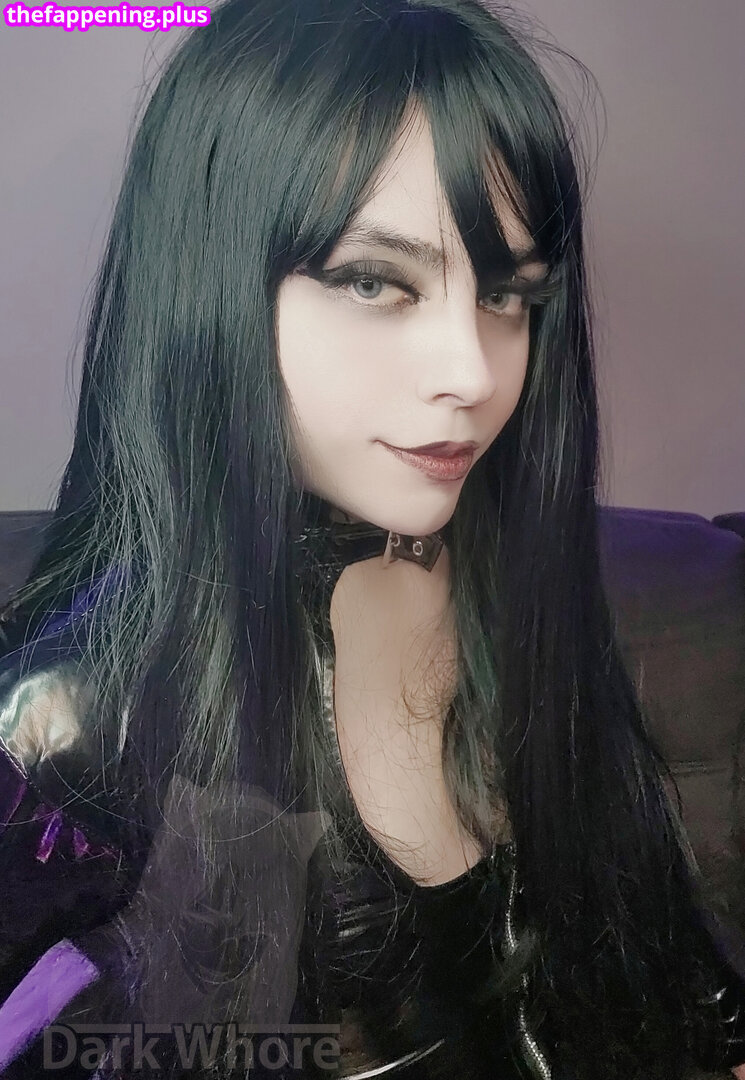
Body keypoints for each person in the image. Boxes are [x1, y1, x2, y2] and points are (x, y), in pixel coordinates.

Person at [1, 1, 744, 1077]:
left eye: (507, 294)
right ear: (207, 285)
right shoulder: (67, 712)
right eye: (372, 282)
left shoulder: (516, 587)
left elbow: (670, 966)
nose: (474, 372)